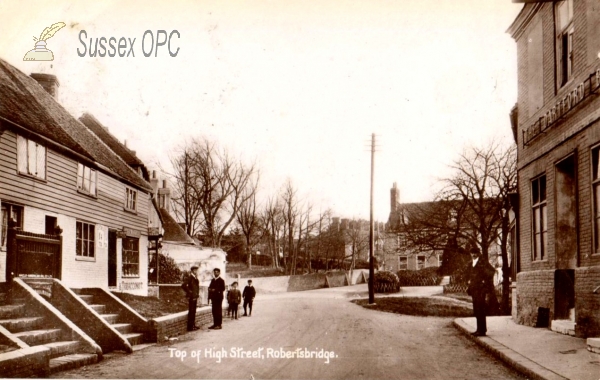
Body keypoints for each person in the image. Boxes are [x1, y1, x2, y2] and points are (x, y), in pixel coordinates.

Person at [466, 247, 496, 337]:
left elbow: (492, 271)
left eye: (475, 253)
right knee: (476, 309)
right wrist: (468, 281)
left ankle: (482, 330)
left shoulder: (483, 262)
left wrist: (484, 280)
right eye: (472, 253)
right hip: (474, 289)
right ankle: (478, 329)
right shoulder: (471, 263)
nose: (473, 255)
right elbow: (467, 274)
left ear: (478, 253)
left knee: (481, 309)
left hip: (481, 289)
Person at [181, 265, 200, 331]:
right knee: (191, 311)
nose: (196, 271)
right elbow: (183, 285)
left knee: (193, 311)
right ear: (192, 271)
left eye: (196, 270)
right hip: (192, 297)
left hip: (195, 297)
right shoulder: (190, 277)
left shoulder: (195, 278)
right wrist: (189, 292)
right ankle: (190, 327)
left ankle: (193, 325)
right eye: (194, 270)